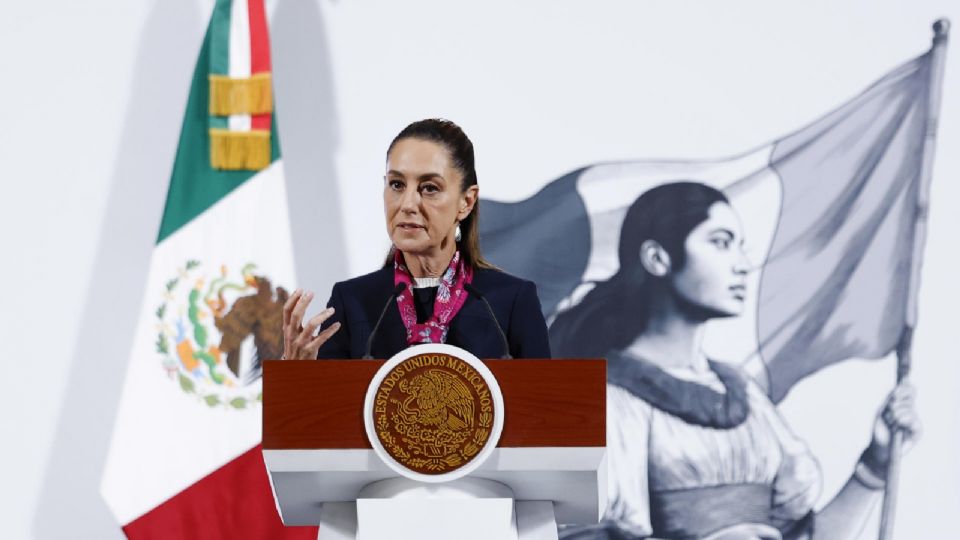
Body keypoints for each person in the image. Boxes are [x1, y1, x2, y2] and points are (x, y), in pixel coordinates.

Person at [550, 182, 920, 540]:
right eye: (720, 243)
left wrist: (875, 465)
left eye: (740, 247)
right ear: (657, 258)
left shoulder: (745, 396)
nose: (743, 265)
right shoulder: (599, 398)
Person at [281, 118, 551, 361]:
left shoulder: (509, 301)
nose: (408, 204)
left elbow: (547, 409)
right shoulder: (352, 302)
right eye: (397, 184)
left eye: (429, 188)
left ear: (466, 202)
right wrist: (295, 374)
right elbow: (322, 412)